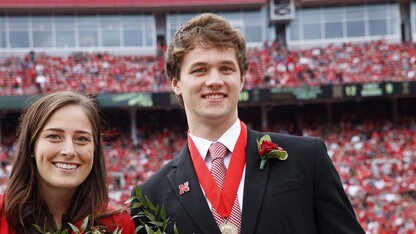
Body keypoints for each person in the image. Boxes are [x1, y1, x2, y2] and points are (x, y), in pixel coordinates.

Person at [131, 12, 366, 234]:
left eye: (226, 68)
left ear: (241, 79)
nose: (215, 81)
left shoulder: (307, 159)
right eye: (200, 70)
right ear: (176, 83)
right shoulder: (150, 197)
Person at [0, 91, 135, 234]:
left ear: (95, 150)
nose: (69, 151)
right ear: (31, 146)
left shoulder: (120, 225)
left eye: (82, 139)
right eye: (54, 136)